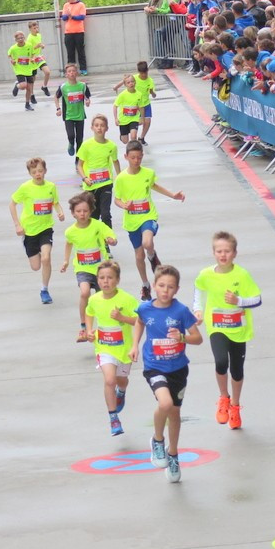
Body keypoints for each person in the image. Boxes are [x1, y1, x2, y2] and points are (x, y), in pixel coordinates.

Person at [129, 265, 202, 483]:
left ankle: (173, 454)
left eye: (170, 287)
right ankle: (158, 440)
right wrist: (134, 345)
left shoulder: (181, 311)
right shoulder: (145, 308)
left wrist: (181, 338)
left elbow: (197, 339)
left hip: (178, 369)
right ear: (154, 286)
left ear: (177, 289)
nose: (165, 290)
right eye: (161, 286)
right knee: (165, 404)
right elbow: (139, 322)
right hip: (154, 366)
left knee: (175, 413)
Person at [193, 231, 262, 430]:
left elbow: (257, 299)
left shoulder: (242, 275)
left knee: (237, 370)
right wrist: (197, 310)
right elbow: (198, 290)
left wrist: (238, 301)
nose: (223, 255)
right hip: (216, 326)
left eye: (227, 251)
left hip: (238, 329)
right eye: (219, 251)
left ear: (234, 253)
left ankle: (235, 406)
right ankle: (224, 397)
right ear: (214, 253)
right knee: (221, 361)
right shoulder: (206, 274)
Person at [112, 140, 185, 300]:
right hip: (132, 222)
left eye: (139, 157)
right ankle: (145, 285)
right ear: (126, 157)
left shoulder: (147, 173)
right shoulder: (121, 179)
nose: (136, 161)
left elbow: (155, 186)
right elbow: (116, 200)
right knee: (139, 256)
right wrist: (124, 205)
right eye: (133, 158)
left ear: (142, 156)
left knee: (147, 243)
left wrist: (173, 195)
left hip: (148, 216)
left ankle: (152, 255)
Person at [84, 260, 139, 436]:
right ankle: (113, 418)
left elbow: (139, 321)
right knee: (109, 380)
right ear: (97, 280)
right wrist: (89, 331)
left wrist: (122, 318)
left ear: (117, 280)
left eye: (109, 278)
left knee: (121, 380)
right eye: (101, 278)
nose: (105, 281)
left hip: (124, 349)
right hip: (104, 348)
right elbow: (89, 312)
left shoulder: (127, 299)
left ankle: (121, 392)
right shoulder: (94, 299)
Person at [61, 192, 118, 342]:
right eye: (78, 211)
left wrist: (111, 240)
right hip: (82, 268)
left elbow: (110, 235)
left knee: (102, 298)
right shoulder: (70, 231)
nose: (82, 214)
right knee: (84, 292)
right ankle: (83, 327)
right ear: (73, 213)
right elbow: (68, 244)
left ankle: (103, 326)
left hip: (101, 269)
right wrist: (66, 261)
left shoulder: (98, 225)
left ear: (91, 211)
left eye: (85, 211)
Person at [10, 157, 65, 305]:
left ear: (45, 171)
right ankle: (32, 248)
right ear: (30, 173)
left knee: (46, 258)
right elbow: (12, 204)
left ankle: (44, 290)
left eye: (40, 171)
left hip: (46, 229)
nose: (38, 174)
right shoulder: (25, 188)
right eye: (34, 172)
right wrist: (17, 225)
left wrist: (60, 212)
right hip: (29, 231)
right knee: (36, 266)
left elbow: (56, 203)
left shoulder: (51, 186)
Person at [76, 114, 119, 227]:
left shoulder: (111, 146)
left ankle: (107, 240)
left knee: (105, 214)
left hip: (106, 184)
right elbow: (79, 165)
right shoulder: (86, 145)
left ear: (107, 128)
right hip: (91, 186)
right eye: (96, 125)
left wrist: (120, 177)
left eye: (102, 126)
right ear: (92, 128)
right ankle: (95, 240)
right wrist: (85, 178)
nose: (99, 128)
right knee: (93, 216)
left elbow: (115, 161)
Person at [115, 62, 157, 145]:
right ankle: (125, 134)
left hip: (145, 104)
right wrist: (116, 87)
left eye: (145, 73)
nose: (144, 75)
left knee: (147, 121)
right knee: (133, 125)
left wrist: (152, 92)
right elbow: (124, 81)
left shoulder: (150, 81)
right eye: (142, 73)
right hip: (135, 105)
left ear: (147, 71)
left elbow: (154, 95)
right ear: (138, 72)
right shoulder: (134, 78)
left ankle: (141, 137)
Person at [56, 63, 92, 157]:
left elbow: (87, 96)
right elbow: (56, 97)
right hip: (69, 116)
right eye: (69, 71)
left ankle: (78, 160)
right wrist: (58, 108)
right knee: (71, 136)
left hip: (80, 115)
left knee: (80, 139)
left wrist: (87, 101)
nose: (71, 73)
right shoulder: (63, 87)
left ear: (77, 73)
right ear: (66, 74)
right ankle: (71, 144)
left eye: (73, 71)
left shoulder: (83, 86)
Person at [8, 31, 38, 111]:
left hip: (28, 69)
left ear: (24, 38)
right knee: (23, 85)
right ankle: (17, 86)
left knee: (29, 88)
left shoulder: (29, 45)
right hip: (19, 69)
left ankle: (27, 104)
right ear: (16, 40)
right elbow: (9, 54)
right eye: (18, 38)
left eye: (22, 38)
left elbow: (33, 54)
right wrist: (12, 60)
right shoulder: (13, 48)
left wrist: (32, 58)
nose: (21, 39)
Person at [61, 0, 88, 74]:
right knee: (70, 52)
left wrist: (72, 16)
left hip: (79, 31)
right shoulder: (66, 5)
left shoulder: (81, 5)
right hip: (68, 32)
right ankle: (71, 71)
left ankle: (83, 69)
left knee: (80, 51)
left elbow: (82, 17)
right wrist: (67, 15)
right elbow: (64, 18)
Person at [113, 74, 146, 145]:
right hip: (123, 120)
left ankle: (133, 149)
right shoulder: (122, 95)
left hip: (134, 118)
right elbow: (115, 106)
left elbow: (141, 107)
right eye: (128, 82)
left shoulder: (139, 94)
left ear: (135, 82)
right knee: (125, 141)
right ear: (125, 85)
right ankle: (122, 137)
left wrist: (142, 118)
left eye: (132, 81)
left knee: (133, 136)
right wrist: (116, 118)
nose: (131, 83)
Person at [25, 20, 52, 97]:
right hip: (32, 58)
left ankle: (44, 86)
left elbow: (39, 44)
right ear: (30, 29)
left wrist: (41, 45)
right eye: (34, 28)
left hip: (38, 57)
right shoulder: (29, 38)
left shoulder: (39, 35)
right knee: (33, 78)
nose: (36, 29)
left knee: (47, 72)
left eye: (37, 28)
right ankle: (32, 94)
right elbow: (28, 50)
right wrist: (36, 46)